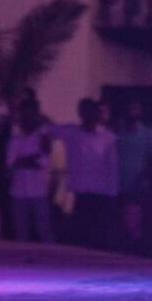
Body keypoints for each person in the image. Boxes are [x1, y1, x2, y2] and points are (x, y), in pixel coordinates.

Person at [53, 98, 119, 249]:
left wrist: (112, 196)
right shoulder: (72, 132)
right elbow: (48, 129)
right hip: (79, 193)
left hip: (100, 195)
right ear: (80, 113)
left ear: (96, 113)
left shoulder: (108, 138)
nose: (88, 115)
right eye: (84, 111)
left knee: (98, 236)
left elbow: (112, 168)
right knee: (79, 235)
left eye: (91, 111)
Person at [6, 98, 53, 243]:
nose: (27, 117)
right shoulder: (15, 140)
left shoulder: (42, 137)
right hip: (18, 192)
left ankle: (51, 262)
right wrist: (32, 159)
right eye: (25, 113)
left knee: (43, 230)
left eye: (31, 113)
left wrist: (23, 161)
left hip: (38, 192)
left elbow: (44, 163)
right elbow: (10, 164)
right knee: (21, 233)